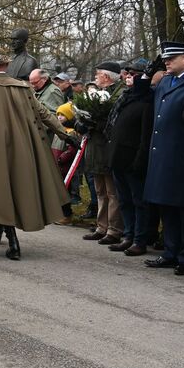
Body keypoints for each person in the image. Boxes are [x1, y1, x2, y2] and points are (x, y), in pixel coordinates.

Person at [0, 48, 77, 259]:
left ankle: (12, 240)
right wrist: (65, 134)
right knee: (14, 189)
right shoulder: (23, 88)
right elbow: (44, 113)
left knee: (0, 190)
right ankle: (5, 232)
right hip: (21, 148)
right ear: (7, 65)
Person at [143, 42, 184, 276]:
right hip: (161, 153)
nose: (167, 62)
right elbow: (146, 100)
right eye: (166, 59)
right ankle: (170, 252)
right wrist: (146, 77)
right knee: (166, 207)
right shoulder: (167, 81)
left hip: (181, 154)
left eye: (172, 58)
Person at [105, 58, 154, 255]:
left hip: (133, 159)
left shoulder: (147, 100)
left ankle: (139, 239)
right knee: (124, 200)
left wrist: (139, 161)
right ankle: (128, 235)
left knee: (138, 201)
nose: (128, 77)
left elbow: (145, 135)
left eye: (134, 74)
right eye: (127, 73)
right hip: (119, 157)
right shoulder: (126, 98)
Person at [78, 62, 124, 245]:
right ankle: (101, 226)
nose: (95, 77)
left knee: (112, 192)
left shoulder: (118, 94)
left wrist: (97, 122)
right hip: (95, 147)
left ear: (106, 76)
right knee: (100, 191)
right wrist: (82, 122)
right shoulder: (98, 94)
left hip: (107, 147)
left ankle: (114, 229)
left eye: (98, 74)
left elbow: (115, 121)